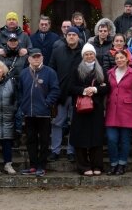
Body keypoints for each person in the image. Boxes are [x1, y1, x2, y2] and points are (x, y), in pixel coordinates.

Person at [68, 44, 109, 176]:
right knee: (80, 137)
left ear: (94, 55)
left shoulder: (101, 70)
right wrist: (84, 90)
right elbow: (71, 87)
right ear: (83, 56)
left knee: (96, 137)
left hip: (96, 108)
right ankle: (83, 166)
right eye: (86, 54)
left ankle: (97, 165)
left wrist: (95, 89)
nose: (89, 56)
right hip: (81, 108)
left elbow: (107, 87)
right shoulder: (76, 70)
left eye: (91, 54)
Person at [18, 48, 60, 176]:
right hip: (29, 113)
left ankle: (42, 166)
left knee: (44, 140)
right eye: (33, 57)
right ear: (29, 59)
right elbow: (19, 91)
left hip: (44, 113)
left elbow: (55, 90)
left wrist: (47, 103)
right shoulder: (23, 73)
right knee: (30, 140)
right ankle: (33, 166)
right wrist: (23, 105)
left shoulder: (50, 72)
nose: (36, 59)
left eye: (38, 56)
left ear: (42, 57)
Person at [48, 26, 83, 162]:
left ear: (78, 37)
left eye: (74, 34)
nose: (71, 37)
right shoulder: (57, 51)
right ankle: (55, 150)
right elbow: (51, 71)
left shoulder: (83, 52)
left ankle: (71, 151)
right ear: (65, 36)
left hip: (77, 94)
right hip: (61, 94)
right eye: (69, 35)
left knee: (75, 124)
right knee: (57, 123)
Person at [104, 49, 132, 175]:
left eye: (122, 58)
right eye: (117, 58)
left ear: (127, 59)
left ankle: (122, 164)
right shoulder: (109, 73)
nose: (119, 60)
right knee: (111, 139)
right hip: (112, 110)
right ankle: (113, 164)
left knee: (125, 140)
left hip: (127, 111)